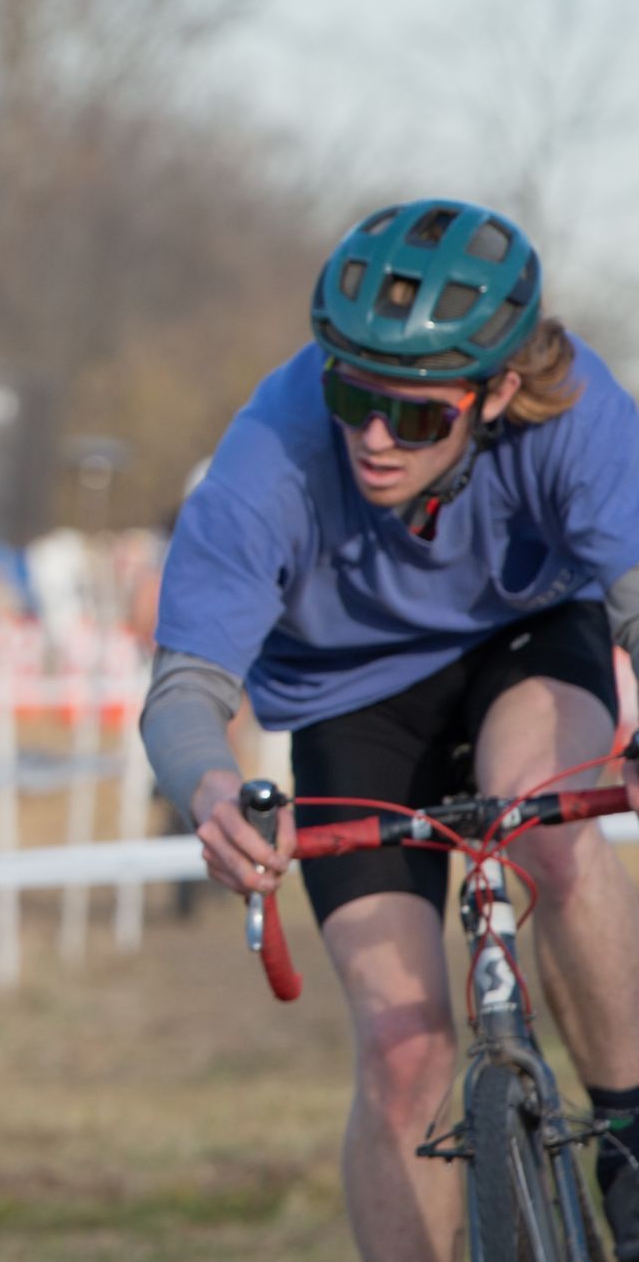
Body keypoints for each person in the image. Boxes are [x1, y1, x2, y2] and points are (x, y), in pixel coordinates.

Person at [141, 198, 639, 1261]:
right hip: (347, 699)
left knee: (547, 826)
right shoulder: (269, 449)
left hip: (526, 638)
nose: (373, 437)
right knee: (403, 1048)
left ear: (497, 391)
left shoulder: (575, 408)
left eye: (415, 417)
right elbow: (185, 688)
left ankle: (631, 1138)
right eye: (353, 399)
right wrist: (211, 793)